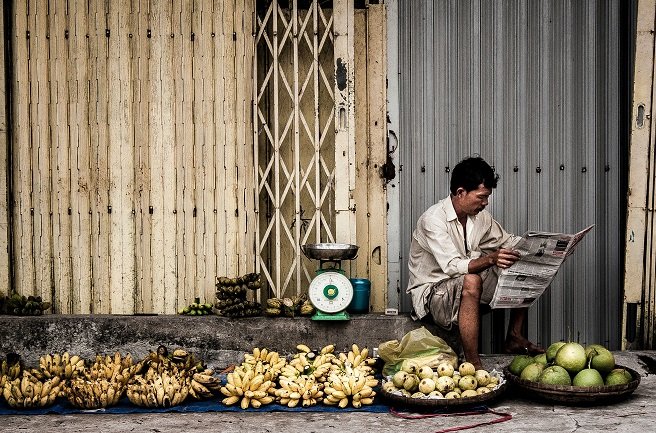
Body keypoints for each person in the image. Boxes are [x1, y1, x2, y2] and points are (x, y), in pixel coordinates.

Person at [406, 156, 543, 369]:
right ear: (461, 193)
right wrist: (490, 258)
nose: (485, 202)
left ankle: (514, 337)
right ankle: (473, 364)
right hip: (433, 296)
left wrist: (543, 248)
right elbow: (453, 266)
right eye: (481, 197)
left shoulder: (480, 217)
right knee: (471, 280)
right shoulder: (432, 219)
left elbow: (508, 242)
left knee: (518, 262)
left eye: (487, 197)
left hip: (463, 289)